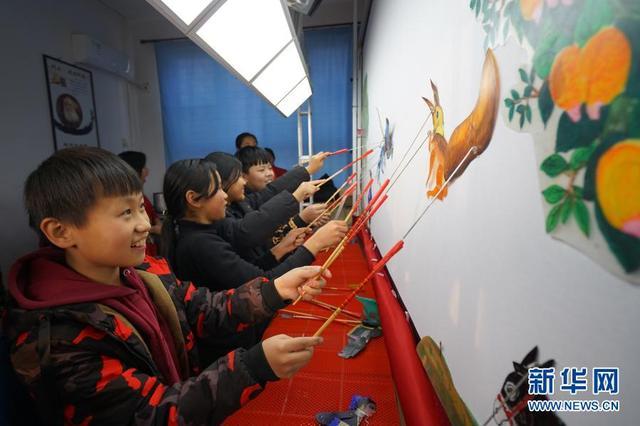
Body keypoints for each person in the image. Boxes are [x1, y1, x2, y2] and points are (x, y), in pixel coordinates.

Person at [4, 147, 327, 424]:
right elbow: (153, 414)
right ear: (61, 232)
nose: (145, 224)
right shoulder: (59, 338)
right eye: (126, 213)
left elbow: (201, 309)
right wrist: (252, 367)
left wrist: (274, 290)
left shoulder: (143, 273)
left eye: (139, 208)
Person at [118, 150, 162, 255]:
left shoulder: (142, 197)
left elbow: (154, 217)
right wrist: (153, 229)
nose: (147, 171)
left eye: (141, 207)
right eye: (144, 167)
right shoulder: (125, 199)